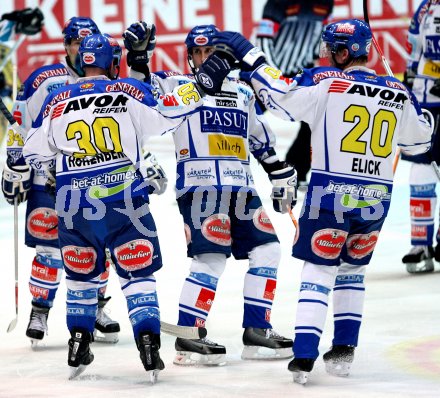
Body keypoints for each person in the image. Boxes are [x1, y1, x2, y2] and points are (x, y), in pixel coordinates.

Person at [207, 19, 433, 383]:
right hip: (376, 197)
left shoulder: (325, 82)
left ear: (345, 52)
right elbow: (420, 140)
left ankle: (306, 353)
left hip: (330, 193)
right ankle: (344, 349)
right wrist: (414, 103)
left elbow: (279, 94)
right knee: (352, 273)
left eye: (330, 49)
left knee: (318, 271)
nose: (325, 55)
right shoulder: (396, 92)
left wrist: (250, 55)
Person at [22, 33, 202, 381]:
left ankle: (78, 342)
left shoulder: (57, 100)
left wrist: (44, 163)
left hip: (74, 205)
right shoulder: (127, 91)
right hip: (124, 202)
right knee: (138, 276)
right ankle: (148, 344)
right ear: (113, 62)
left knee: (80, 277)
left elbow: (32, 150)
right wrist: (198, 86)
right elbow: (170, 111)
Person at [123, 22, 296, 366]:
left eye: (210, 52)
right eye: (197, 53)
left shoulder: (243, 91)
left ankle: (256, 329)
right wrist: (139, 55)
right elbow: (140, 89)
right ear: (189, 57)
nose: (203, 59)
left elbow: (259, 137)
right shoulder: (179, 85)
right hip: (201, 187)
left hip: (242, 188)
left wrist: (280, 171)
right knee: (211, 259)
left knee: (269, 248)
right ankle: (189, 335)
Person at [1, 17, 121, 346]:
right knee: (50, 250)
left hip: (96, 180)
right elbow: (20, 121)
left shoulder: (108, 80)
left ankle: (96, 308)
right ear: (65, 45)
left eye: (87, 43)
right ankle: (39, 310)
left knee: (101, 249)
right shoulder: (45, 79)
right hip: (48, 180)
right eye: (75, 43)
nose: (81, 50)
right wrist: (15, 165)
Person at [256, 0, 334, 188]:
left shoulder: (326, 3)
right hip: (269, 75)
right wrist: (274, 77)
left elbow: (323, 38)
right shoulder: (277, 3)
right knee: (240, 123)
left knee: (314, 121)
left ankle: (296, 171)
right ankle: (211, 172)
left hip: (300, 74)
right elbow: (263, 41)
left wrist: (314, 67)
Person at [401, 0, 440, 273]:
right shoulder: (426, 6)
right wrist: (408, 80)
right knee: (420, 171)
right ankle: (421, 243)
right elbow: (414, 46)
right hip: (425, 99)